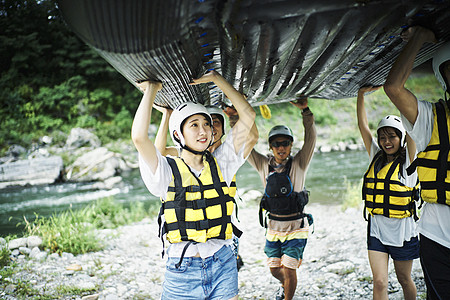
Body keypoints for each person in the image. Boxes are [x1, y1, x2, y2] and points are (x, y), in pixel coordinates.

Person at [131, 70, 256, 300]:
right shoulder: (166, 171)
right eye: (194, 125)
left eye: (207, 125)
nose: (204, 131)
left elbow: (248, 115)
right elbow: (139, 137)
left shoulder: (222, 163)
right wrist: (151, 90)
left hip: (223, 263)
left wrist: (218, 80)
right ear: (178, 135)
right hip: (182, 272)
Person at [384, 26, 450, 300]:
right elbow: (393, 88)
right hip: (438, 238)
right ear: (443, 78)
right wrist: (420, 39)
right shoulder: (430, 119)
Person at [152, 103, 258, 271]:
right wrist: (168, 115)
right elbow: (158, 155)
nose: (210, 128)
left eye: (214, 123)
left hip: (222, 224)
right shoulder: (185, 153)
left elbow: (251, 137)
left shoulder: (226, 156)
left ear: (223, 129)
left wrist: (234, 117)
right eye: (198, 124)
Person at [246, 96, 316, 300]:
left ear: (291, 144)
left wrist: (306, 112)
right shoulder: (262, 165)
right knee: (275, 270)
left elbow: (311, 138)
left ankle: (288, 297)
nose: (281, 147)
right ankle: (286, 286)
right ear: (270, 146)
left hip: (296, 227)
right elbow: (245, 147)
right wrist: (234, 119)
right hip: (273, 228)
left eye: (285, 143)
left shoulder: (300, 163)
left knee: (290, 267)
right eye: (276, 144)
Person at [357, 85, 419, 300]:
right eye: (383, 137)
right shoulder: (376, 157)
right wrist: (360, 95)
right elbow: (363, 127)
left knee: (404, 279)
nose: (386, 142)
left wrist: (397, 94)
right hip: (377, 230)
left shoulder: (409, 165)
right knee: (380, 282)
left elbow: (411, 127)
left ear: (401, 138)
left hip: (402, 232)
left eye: (391, 137)